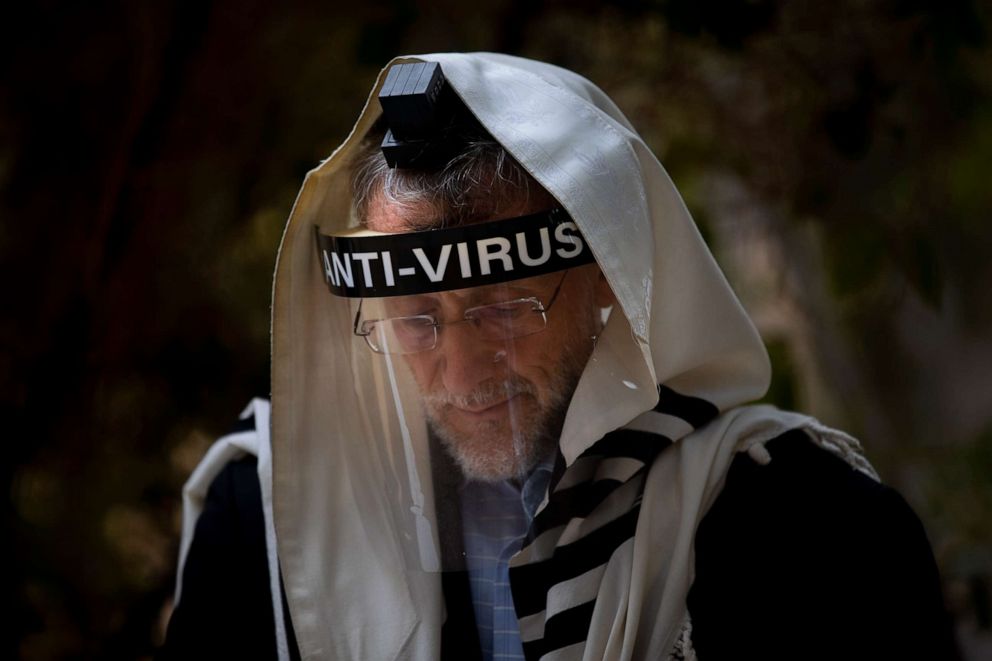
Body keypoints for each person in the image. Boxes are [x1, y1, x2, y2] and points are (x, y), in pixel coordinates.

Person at [161, 53, 958, 660]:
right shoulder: (272, 521)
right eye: (415, 321)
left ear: (609, 273)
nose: (466, 372)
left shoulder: (808, 526)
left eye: (505, 311)